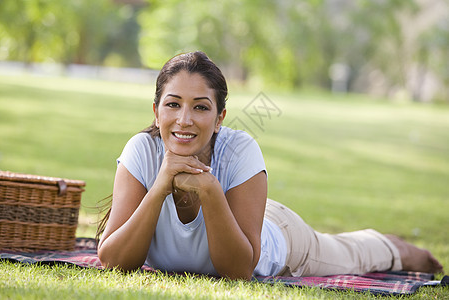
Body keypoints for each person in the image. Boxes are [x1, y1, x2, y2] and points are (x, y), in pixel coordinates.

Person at [96, 51, 444, 280]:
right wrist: (159, 187)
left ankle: (398, 247)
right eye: (173, 104)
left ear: (219, 119)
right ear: (156, 112)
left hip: (278, 235)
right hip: (243, 209)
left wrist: (210, 189)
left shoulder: (240, 149)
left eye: (201, 107)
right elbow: (112, 260)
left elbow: (238, 271)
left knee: (353, 254)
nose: (184, 119)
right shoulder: (142, 151)